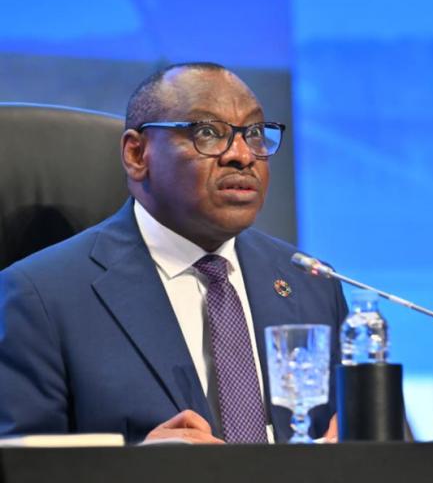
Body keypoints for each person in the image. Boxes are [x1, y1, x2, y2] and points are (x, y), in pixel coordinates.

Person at [0, 62, 347, 444]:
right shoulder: (41, 297)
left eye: (254, 134)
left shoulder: (311, 284)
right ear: (137, 154)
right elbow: (23, 465)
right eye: (208, 133)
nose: (242, 155)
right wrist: (135, 467)